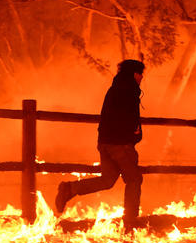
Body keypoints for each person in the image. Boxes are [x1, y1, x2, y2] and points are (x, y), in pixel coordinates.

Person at [55, 59, 145, 229]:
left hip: (105, 142)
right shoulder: (129, 91)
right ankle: (131, 221)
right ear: (134, 74)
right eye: (140, 74)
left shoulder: (114, 89)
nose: (141, 78)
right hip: (121, 144)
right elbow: (129, 119)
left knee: (107, 180)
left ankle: (70, 188)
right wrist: (134, 135)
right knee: (134, 179)